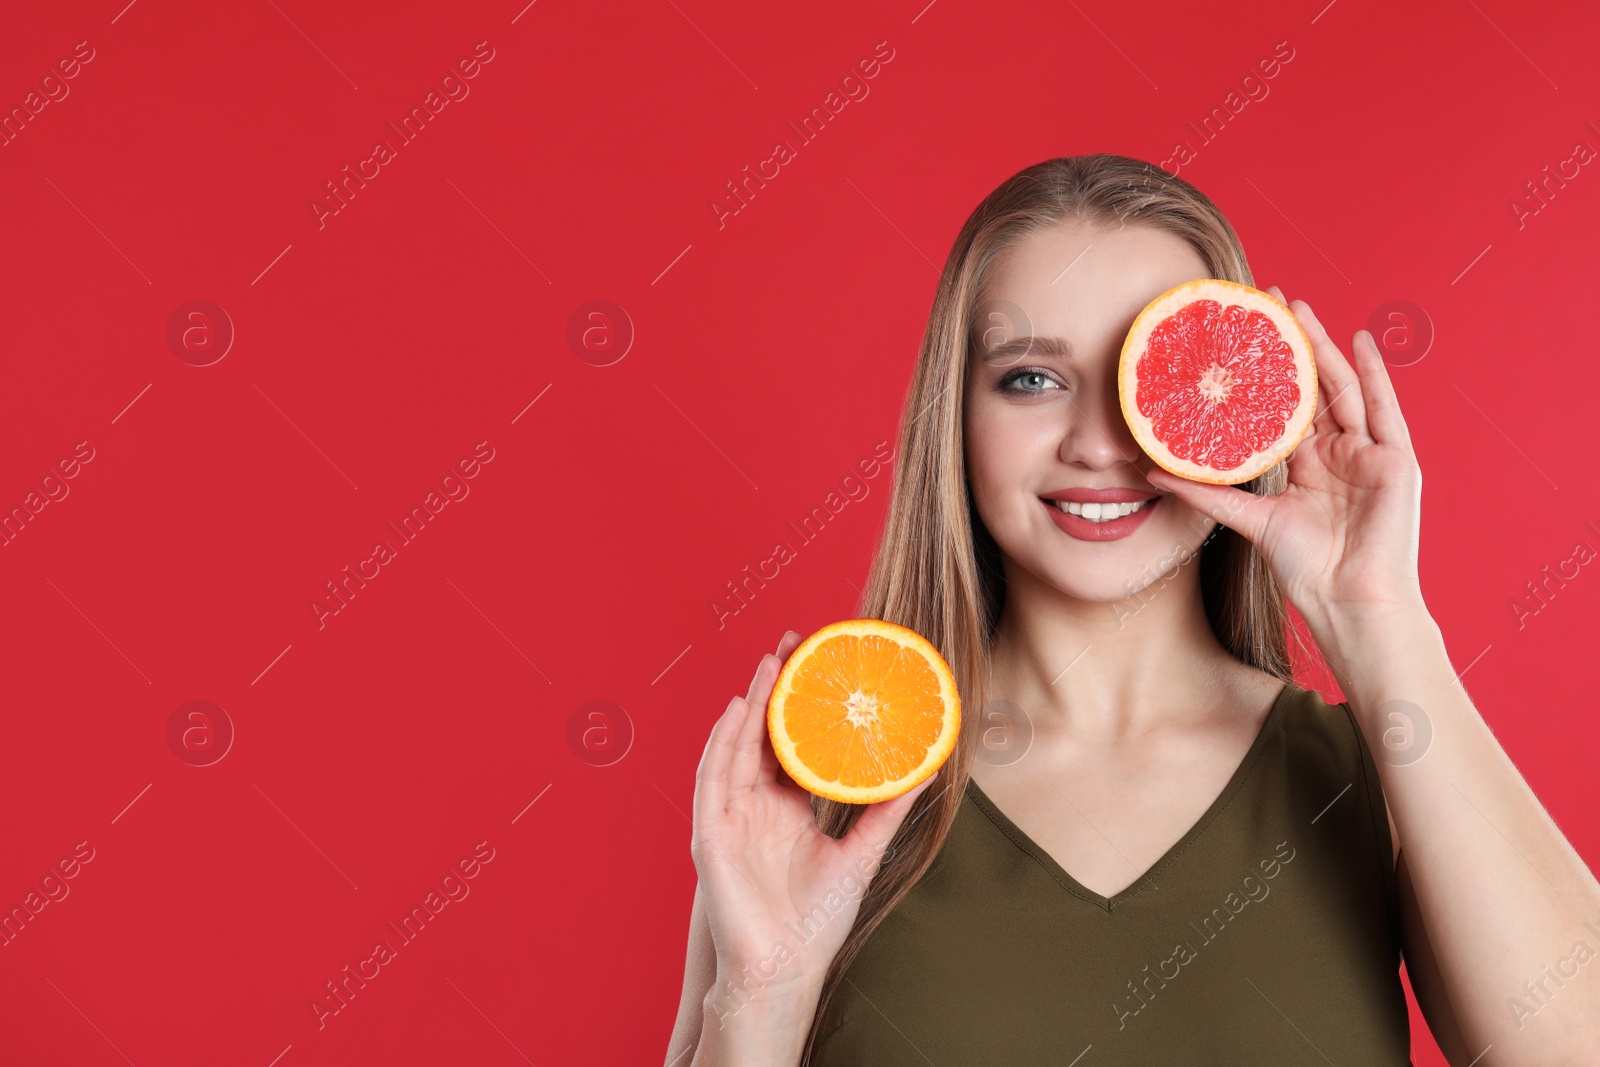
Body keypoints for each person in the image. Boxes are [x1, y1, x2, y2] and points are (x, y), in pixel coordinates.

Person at [663, 154, 1600, 1066]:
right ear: (956, 416)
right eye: (1031, 376)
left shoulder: (1382, 775)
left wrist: (1381, 615)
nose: (1102, 443)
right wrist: (766, 989)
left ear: (1237, 417)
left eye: (1150, 381)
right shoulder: (824, 774)